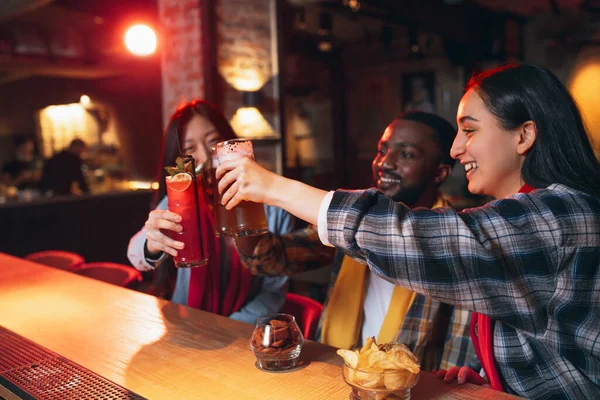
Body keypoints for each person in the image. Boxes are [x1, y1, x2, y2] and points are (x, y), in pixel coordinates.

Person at [216, 64, 600, 399]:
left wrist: (273, 187)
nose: (456, 148)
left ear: (523, 135)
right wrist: (493, 379)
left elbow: (415, 239)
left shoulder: (562, 216)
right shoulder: (529, 215)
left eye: (469, 130)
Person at [235, 111, 477, 371]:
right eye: (382, 150)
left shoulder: (455, 241)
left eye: (405, 154)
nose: (385, 162)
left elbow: (455, 364)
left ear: (439, 172)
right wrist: (240, 204)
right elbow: (269, 258)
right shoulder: (354, 223)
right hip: (335, 375)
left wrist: (272, 187)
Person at [127, 100, 295, 324]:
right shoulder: (179, 200)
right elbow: (136, 256)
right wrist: (151, 244)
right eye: (190, 149)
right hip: (186, 324)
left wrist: (226, 328)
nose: (205, 157)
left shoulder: (271, 207)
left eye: (214, 142)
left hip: (245, 331)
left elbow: (273, 291)